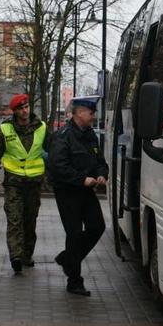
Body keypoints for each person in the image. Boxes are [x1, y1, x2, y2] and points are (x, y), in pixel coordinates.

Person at [48, 95, 108, 296]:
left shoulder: (90, 135)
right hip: (67, 192)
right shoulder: (62, 136)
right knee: (74, 234)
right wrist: (82, 179)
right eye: (91, 113)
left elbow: (100, 160)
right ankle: (74, 281)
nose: (93, 117)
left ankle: (67, 258)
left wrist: (101, 174)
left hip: (86, 191)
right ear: (80, 113)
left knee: (97, 227)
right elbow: (57, 167)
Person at [0, 94, 50, 275]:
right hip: (13, 183)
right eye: (21, 108)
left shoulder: (42, 127)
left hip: (34, 183)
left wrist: (53, 178)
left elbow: (53, 153)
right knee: (14, 220)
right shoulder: (6, 129)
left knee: (30, 221)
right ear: (15, 111)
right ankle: (16, 257)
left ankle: (27, 254)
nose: (25, 110)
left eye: (27, 107)